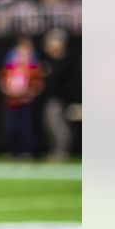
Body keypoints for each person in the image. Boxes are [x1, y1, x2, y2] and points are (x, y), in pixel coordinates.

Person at [0, 38, 43, 158]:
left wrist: (29, 92)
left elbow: (38, 85)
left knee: (26, 128)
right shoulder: (10, 67)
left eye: (25, 53)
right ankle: (14, 151)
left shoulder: (33, 68)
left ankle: (26, 151)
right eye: (20, 53)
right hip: (12, 102)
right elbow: (3, 81)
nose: (22, 56)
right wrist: (7, 89)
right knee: (12, 128)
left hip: (26, 102)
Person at [40, 29, 73, 160]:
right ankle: (55, 151)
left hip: (60, 100)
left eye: (52, 41)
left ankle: (61, 153)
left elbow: (61, 80)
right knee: (49, 125)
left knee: (59, 127)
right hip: (50, 99)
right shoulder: (49, 61)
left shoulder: (65, 60)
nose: (49, 44)